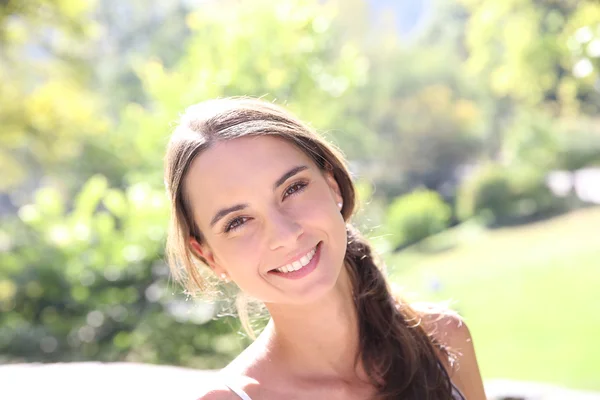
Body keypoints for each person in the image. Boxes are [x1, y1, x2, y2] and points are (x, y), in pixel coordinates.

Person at [164, 97, 487, 400]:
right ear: (209, 257)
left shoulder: (445, 339)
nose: (285, 234)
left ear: (332, 185)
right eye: (237, 222)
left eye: (293, 188)